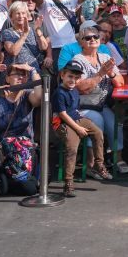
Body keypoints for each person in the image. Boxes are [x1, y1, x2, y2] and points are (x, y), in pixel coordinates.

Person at [70, 23, 128, 175]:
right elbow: (81, 87)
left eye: (95, 36)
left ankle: (118, 159)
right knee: (97, 121)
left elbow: (120, 82)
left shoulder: (105, 57)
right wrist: (101, 73)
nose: (92, 39)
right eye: (87, 38)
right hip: (82, 106)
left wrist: (111, 74)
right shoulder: (78, 60)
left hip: (101, 105)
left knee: (115, 124)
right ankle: (92, 164)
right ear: (81, 42)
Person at [0, 64, 42, 195]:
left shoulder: (27, 95)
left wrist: (33, 71)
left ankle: (21, 181)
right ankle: (14, 181)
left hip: (25, 149)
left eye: (24, 75)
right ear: (7, 79)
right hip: (5, 150)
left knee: (31, 187)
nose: (21, 77)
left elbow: (39, 98)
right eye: (17, 74)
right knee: (28, 188)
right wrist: (0, 151)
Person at [52, 61, 108, 197]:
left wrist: (83, 123)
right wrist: (78, 128)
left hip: (76, 118)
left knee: (98, 133)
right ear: (62, 75)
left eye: (76, 78)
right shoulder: (59, 92)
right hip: (63, 123)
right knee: (72, 148)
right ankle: (68, 182)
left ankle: (99, 165)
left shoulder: (75, 90)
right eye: (70, 76)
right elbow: (62, 114)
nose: (73, 80)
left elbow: (75, 110)